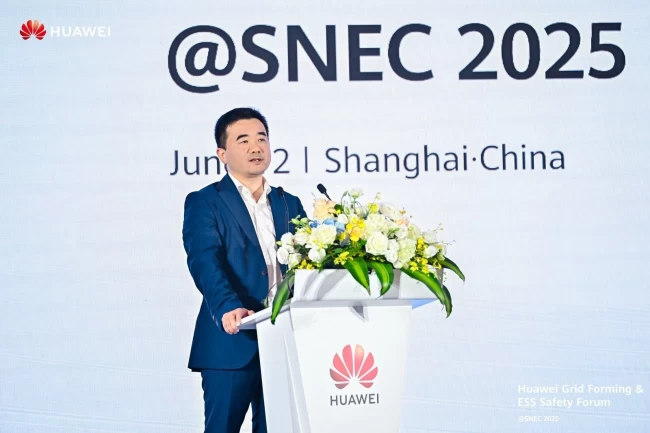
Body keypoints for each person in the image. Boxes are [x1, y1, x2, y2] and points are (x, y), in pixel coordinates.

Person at [181, 107, 306, 433]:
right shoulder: (205, 201)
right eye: (243, 140)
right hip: (231, 340)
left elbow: (306, 266)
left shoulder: (288, 203)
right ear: (222, 154)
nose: (255, 147)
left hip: (283, 341)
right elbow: (205, 261)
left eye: (262, 139)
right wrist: (227, 306)